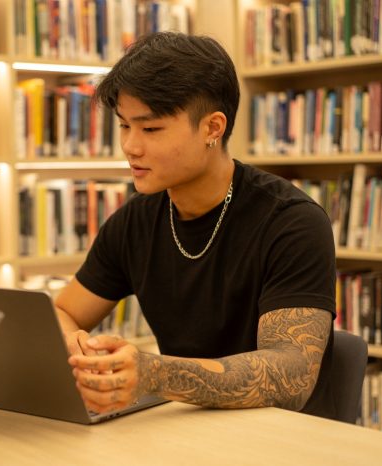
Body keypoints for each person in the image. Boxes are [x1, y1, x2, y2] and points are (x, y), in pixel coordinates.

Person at [55, 32, 336, 418]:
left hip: (280, 435)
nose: (130, 146)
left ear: (212, 128)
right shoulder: (134, 220)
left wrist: (156, 373)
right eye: (124, 126)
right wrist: (81, 352)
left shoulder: (292, 222)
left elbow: (292, 375)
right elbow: (64, 310)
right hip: (185, 426)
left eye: (150, 129)